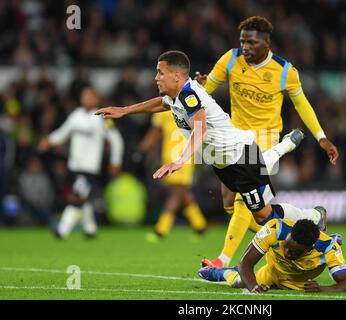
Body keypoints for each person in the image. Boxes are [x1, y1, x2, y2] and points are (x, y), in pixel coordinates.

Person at [96, 50, 327, 239]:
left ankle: (314, 220)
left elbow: (200, 129)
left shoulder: (188, 95)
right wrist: (124, 110)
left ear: (177, 75)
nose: (156, 77)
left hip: (240, 157)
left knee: (263, 217)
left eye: (160, 72)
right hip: (223, 163)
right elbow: (161, 103)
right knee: (238, 207)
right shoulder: (177, 96)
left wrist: (180, 161)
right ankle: (282, 151)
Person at [195, 16, 339, 268]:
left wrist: (322, 137)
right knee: (241, 208)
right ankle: (310, 217)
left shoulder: (284, 71)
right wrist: (198, 87)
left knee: (242, 199)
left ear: (266, 42)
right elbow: (206, 91)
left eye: (251, 42)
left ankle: (223, 259)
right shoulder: (230, 59)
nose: (245, 47)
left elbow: (301, 104)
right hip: (232, 137)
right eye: (242, 41)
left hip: (264, 140)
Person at [39, 87, 124, 239]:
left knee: (77, 196)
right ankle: (90, 229)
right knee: (83, 196)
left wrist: (115, 162)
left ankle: (62, 231)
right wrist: (49, 141)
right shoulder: (76, 115)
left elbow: (116, 141)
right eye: (84, 96)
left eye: (90, 96)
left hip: (90, 167)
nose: (87, 99)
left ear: (96, 99)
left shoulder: (103, 117)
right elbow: (63, 132)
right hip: (74, 165)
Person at [198, 219, 346, 293]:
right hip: (273, 272)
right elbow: (245, 264)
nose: (287, 253)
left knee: (246, 278)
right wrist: (254, 288)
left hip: (297, 284)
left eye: (294, 252)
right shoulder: (275, 229)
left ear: (309, 249)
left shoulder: (328, 248)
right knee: (239, 281)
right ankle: (218, 272)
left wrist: (322, 289)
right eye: (286, 247)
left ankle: (320, 222)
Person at [139, 111, 207, 241]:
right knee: (182, 192)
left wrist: (142, 149)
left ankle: (161, 230)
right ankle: (200, 225)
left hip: (181, 156)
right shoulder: (175, 105)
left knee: (176, 192)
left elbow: (155, 133)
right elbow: (156, 132)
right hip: (174, 155)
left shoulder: (168, 107)